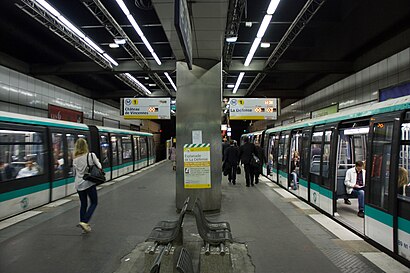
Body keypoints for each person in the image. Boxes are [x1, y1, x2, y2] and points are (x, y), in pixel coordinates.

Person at [73, 138, 102, 233]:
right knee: (94, 202)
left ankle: (83, 227)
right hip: (88, 182)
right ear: (86, 146)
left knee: (83, 204)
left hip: (78, 184)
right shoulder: (91, 155)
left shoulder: (75, 159)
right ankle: (84, 221)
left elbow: (75, 172)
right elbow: (99, 166)